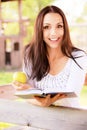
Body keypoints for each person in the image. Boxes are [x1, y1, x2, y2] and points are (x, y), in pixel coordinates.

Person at [13, 5, 87, 108]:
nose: (54, 33)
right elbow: (26, 93)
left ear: (65, 28)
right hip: (36, 121)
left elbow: (70, 98)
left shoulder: (79, 57)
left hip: (69, 121)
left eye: (59, 26)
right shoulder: (30, 54)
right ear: (39, 30)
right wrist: (39, 101)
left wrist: (40, 98)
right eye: (46, 27)